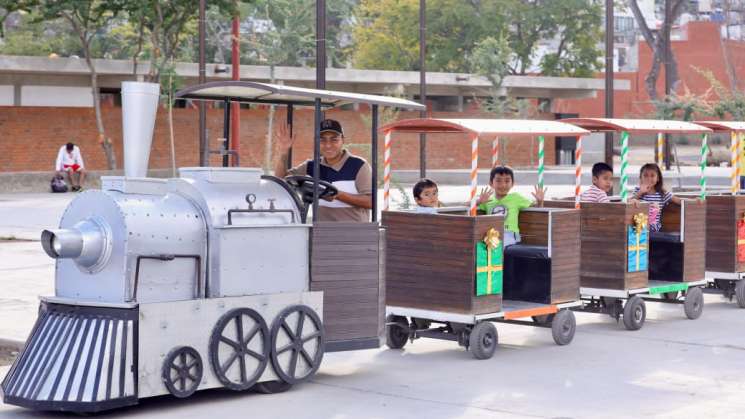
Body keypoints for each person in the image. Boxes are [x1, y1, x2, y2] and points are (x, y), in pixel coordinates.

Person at [274, 119, 372, 222]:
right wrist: (283, 152)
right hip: (321, 232)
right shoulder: (311, 165)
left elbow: (370, 202)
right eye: (322, 140)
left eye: (334, 139)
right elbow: (280, 181)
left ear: (343, 140)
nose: (328, 145)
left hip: (354, 233)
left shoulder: (359, 165)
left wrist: (338, 195)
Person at [476, 166, 545, 247]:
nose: (503, 185)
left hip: (510, 234)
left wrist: (540, 201)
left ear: (512, 184)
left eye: (507, 181)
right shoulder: (487, 200)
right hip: (492, 234)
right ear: (491, 183)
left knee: (498, 245)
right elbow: (466, 206)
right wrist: (478, 202)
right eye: (498, 181)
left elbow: (536, 208)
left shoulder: (516, 198)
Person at [630, 163, 681, 232]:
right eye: (645, 175)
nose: (649, 178)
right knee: (638, 223)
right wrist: (640, 192)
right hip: (639, 226)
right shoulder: (638, 190)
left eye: (652, 175)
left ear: (658, 178)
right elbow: (628, 202)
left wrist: (695, 200)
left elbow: (678, 200)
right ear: (641, 178)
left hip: (653, 228)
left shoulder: (662, 193)